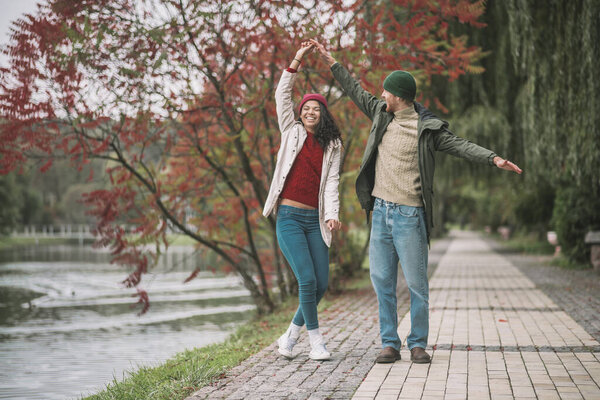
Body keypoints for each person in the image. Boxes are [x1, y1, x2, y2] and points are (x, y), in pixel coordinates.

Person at [310, 39, 522, 364]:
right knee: (381, 279)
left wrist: (493, 159)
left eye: (386, 92)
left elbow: (460, 145)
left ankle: (418, 343)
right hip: (380, 212)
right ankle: (389, 344)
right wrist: (332, 62)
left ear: (398, 96)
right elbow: (354, 90)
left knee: (416, 284)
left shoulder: (429, 129)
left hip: (410, 215)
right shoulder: (381, 115)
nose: (381, 95)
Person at [263, 42, 343, 361]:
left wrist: (332, 215)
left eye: (316, 109)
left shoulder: (332, 144)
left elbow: (332, 183)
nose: (310, 113)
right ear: (301, 113)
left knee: (320, 283)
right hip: (289, 219)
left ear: (322, 115)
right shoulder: (290, 131)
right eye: (306, 108)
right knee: (306, 279)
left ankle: (289, 336)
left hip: (315, 221)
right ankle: (316, 342)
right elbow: (282, 94)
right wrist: (297, 59)